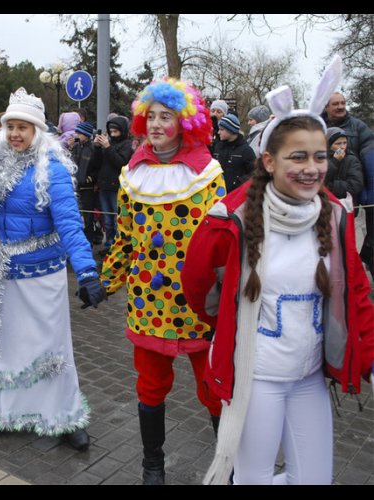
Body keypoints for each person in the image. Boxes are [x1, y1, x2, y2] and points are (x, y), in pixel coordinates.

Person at [183, 55, 373, 485]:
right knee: (254, 478)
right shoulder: (228, 219)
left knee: (315, 478)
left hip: (309, 378)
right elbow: (197, 284)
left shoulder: (334, 217)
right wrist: (227, 325)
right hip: (257, 379)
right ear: (269, 161)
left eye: (320, 157)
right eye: (298, 157)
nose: (312, 168)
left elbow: (356, 292)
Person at [0, 87, 106, 451]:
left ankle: (64, 416)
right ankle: (0, 410)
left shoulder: (52, 169)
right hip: (1, 275)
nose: (15, 135)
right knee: (3, 347)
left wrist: (87, 271)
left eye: (23, 128)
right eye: (10, 127)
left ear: (37, 131)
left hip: (43, 275)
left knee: (52, 348)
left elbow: (71, 224)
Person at [100, 77, 227, 484]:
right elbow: (124, 239)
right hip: (148, 303)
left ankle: (228, 465)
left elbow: (223, 243)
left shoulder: (207, 175)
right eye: (150, 116)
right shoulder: (130, 175)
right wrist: (104, 282)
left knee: (213, 387)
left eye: (166, 116)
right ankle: (152, 464)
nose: (156, 124)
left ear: (185, 122)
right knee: (150, 387)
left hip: (198, 304)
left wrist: (233, 295)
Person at [322, 91, 374, 275]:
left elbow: (366, 163)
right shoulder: (315, 125)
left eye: (343, 103)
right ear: (326, 106)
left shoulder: (359, 128)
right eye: (335, 104)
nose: (340, 107)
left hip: (350, 199)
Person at [93, 115, 134, 255]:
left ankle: (118, 246)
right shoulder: (108, 143)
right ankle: (109, 244)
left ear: (122, 131)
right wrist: (97, 148)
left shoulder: (127, 145)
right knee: (107, 220)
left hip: (117, 187)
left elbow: (121, 163)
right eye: (111, 131)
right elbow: (98, 163)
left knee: (117, 219)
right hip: (104, 186)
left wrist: (108, 147)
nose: (112, 134)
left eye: (116, 131)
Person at [69, 121, 101, 246]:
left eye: (79, 133)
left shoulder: (93, 148)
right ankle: (80, 239)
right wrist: (70, 147)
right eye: (76, 132)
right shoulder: (77, 146)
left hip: (88, 186)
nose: (76, 134)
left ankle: (89, 240)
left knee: (88, 215)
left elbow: (98, 166)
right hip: (77, 185)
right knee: (77, 214)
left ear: (86, 135)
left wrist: (90, 179)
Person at [212, 113, 256, 192]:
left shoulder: (245, 150)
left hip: (236, 194)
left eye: (222, 129)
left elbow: (255, 172)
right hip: (217, 193)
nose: (218, 132)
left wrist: (239, 183)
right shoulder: (218, 147)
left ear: (231, 131)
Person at [324, 127, 364, 208]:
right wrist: (335, 161)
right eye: (338, 143)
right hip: (325, 205)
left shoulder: (351, 160)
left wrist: (330, 186)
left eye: (345, 143)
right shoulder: (321, 158)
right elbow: (321, 178)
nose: (342, 147)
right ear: (329, 144)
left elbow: (355, 185)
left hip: (346, 205)